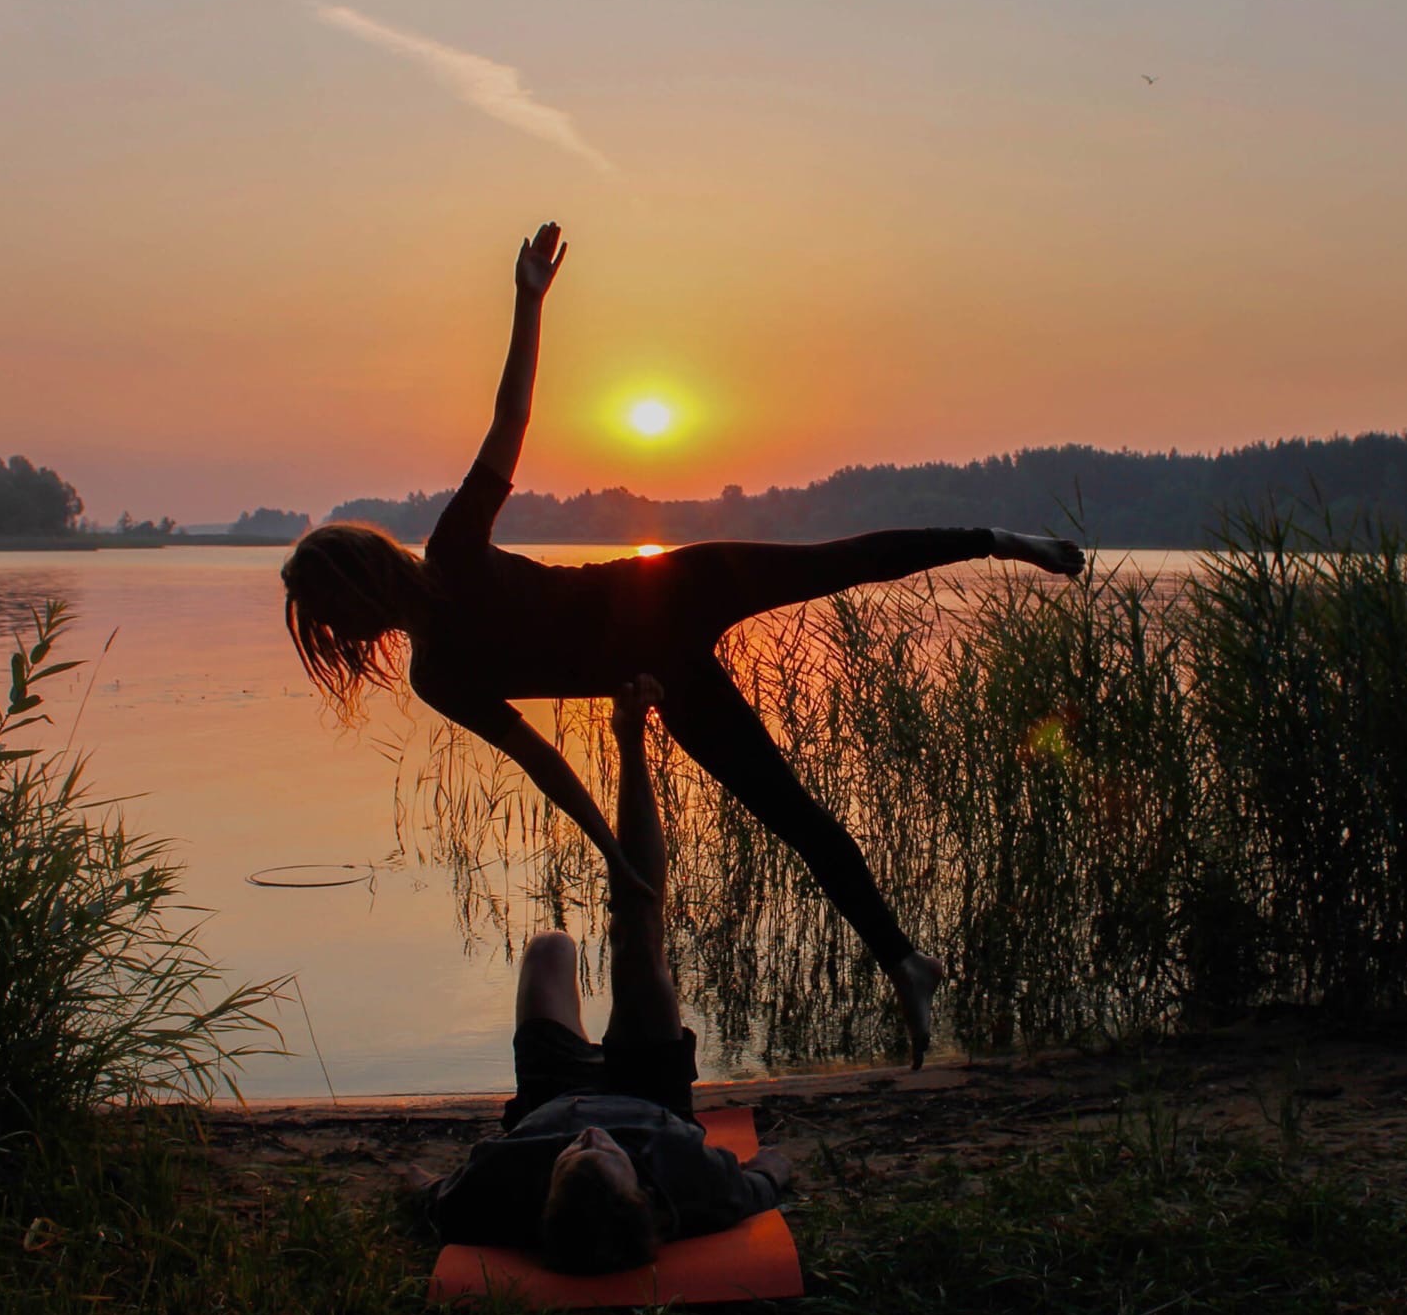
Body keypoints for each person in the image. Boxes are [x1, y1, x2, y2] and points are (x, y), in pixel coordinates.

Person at [282, 222, 1085, 1065]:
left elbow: (510, 419)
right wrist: (614, 854)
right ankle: (904, 960)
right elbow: (542, 763)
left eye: (331, 612)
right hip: (666, 679)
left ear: (363, 578)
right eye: (326, 629)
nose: (337, 635)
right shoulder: (437, 675)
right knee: (794, 817)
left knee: (842, 564)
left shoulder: (452, 552)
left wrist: (528, 304)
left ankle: (999, 539)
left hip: (675, 585)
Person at [426, 676, 791, 1274]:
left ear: (547, 1190)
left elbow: (429, 1195)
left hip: (550, 1093)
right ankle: (630, 737)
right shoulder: (690, 1181)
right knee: (637, 928)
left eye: (573, 1157)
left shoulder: (495, 1193)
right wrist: (769, 1165)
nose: (590, 1138)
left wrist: (417, 1182)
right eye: (605, 1154)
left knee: (549, 947)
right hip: (648, 1091)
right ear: (641, 1192)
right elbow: (768, 1174)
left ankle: (575, 939)